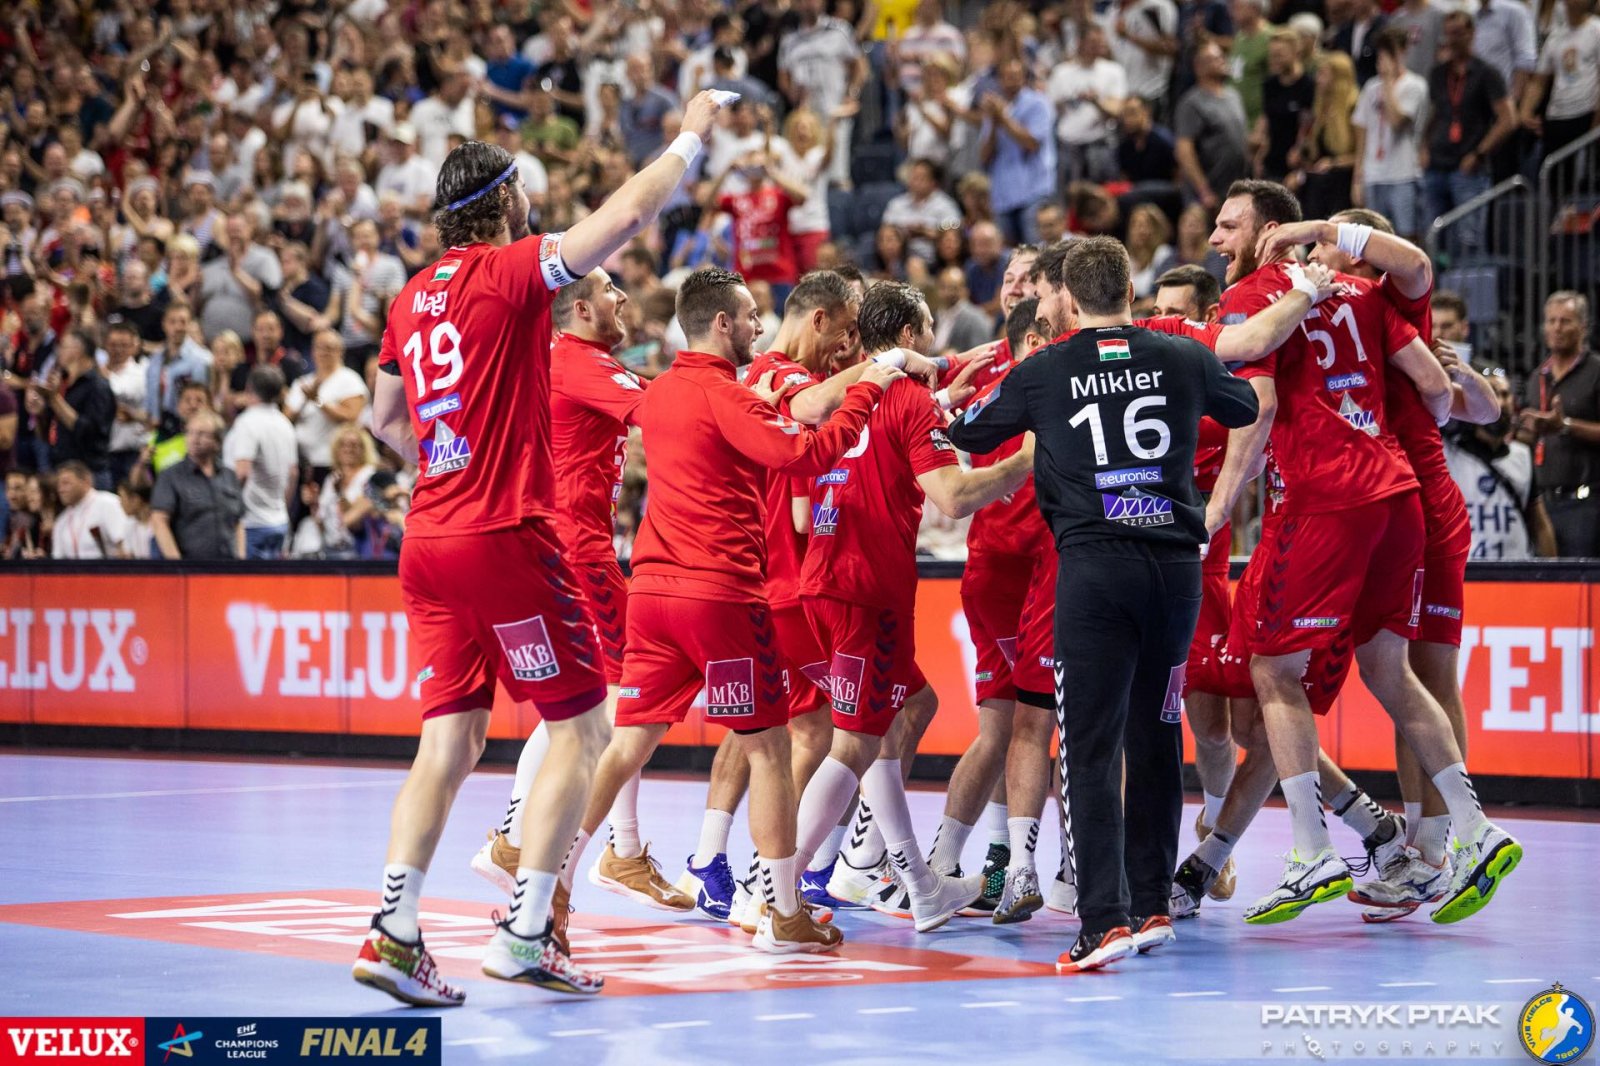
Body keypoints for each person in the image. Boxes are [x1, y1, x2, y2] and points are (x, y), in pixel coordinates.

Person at [354, 93, 728, 1006]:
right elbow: (628, 215)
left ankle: (394, 931)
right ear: (504, 199)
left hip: (428, 537)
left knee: (449, 738)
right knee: (585, 727)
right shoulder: (510, 270)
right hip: (505, 534)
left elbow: (382, 419)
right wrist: (689, 136)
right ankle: (527, 931)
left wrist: (446, 461)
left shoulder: (409, 297)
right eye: (524, 191)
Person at [1201, 179, 1522, 929]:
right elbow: (1438, 386)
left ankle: (1313, 849)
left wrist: (1216, 511)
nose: (1215, 239)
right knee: (1392, 668)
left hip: (1325, 498)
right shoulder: (1365, 294)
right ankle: (1472, 831)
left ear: (1270, 231)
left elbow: (1258, 396)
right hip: (1400, 492)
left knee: (1273, 672)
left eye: (1228, 226)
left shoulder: (1255, 294)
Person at [562, 267, 898, 955]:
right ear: (722, 323)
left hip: (651, 593)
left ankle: (550, 881)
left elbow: (723, 428)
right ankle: (783, 913)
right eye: (749, 316)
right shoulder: (729, 395)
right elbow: (804, 453)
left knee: (625, 745)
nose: (758, 326)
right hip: (719, 596)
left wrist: (760, 404)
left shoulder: (661, 390)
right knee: (771, 750)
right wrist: (868, 389)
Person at [950, 236, 1260, 973]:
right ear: (1129, 289)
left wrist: (945, 394)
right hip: (1175, 572)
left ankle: (1102, 921)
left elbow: (966, 430)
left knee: (1088, 746)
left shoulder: (1044, 368)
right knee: (1157, 738)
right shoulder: (1181, 354)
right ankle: (1152, 905)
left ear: (1065, 297)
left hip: (1095, 571)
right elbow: (1245, 402)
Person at [788, 280, 1032, 932]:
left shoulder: (849, 391)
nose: (930, 343)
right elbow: (952, 497)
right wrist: (1024, 462)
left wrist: (946, 394)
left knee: (906, 710)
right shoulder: (908, 398)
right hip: (868, 589)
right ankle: (781, 891)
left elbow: (863, 442)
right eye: (925, 331)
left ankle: (919, 887)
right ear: (907, 336)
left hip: (824, 578)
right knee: (853, 745)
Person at [469, 268, 675, 914]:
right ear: (581, 309)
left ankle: (573, 844)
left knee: (594, 702)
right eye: (611, 290)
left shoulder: (559, 359)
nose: (623, 298)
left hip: (552, 547)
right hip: (576, 550)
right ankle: (552, 846)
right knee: (632, 694)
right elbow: (665, 412)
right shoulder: (581, 363)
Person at [1423, 12, 1517, 262]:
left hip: (1469, 169)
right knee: (1431, 239)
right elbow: (1434, 114)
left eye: (1458, 33)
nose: (1452, 40)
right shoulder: (1438, 73)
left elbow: (1508, 119)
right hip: (1436, 165)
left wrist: (1479, 153)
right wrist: (1423, 147)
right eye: (1448, 34)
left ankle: (1469, 286)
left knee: (1468, 240)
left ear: (1471, 34)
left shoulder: (1487, 73)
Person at [1519, 291, 1600, 557]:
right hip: (1542, 505)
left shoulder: (1596, 372)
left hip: (1586, 504)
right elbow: (1533, 438)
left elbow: (1561, 426)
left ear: (1583, 327)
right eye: (1551, 320)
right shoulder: (1537, 377)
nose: (1557, 327)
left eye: (1565, 321)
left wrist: (1565, 425)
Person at [1448, 368, 1558, 559]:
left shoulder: (1522, 455)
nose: (1499, 402)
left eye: (1505, 394)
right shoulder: (1451, 454)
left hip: (1516, 569)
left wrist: (1554, 572)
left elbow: (1539, 524)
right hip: (1470, 569)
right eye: (1492, 392)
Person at [1353, 30, 1430, 240]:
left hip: (1403, 175)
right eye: (1381, 54)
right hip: (1373, 175)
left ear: (1402, 53)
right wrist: (1357, 178)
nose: (1383, 60)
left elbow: (1397, 122)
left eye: (1389, 54)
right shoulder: (1371, 87)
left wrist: (1387, 81)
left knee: (1406, 236)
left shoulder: (1415, 85)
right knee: (1375, 238)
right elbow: (1361, 131)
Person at [224, 365, 299, 560]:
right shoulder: (285, 423)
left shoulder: (247, 423)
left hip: (251, 524)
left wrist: (228, 512)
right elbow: (293, 474)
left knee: (247, 580)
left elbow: (241, 472)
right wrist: (281, 508)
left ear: (248, 388)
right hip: (279, 521)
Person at [980, 58, 1057, 245]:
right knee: (1011, 254)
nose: (1010, 81)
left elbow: (1031, 143)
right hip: (1003, 193)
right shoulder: (994, 109)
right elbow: (984, 156)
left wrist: (1003, 118)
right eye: (1006, 76)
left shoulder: (1038, 103)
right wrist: (994, 123)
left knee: (1036, 250)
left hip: (1033, 190)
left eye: (1015, 76)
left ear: (1024, 78)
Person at [151, 409, 243, 561]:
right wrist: (177, 564)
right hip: (190, 567)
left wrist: (241, 559)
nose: (194, 439)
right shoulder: (171, 476)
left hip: (228, 566)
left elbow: (238, 522)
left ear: (217, 442)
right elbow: (159, 520)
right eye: (190, 432)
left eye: (202, 434)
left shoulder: (229, 476)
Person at [285, 331, 369, 489]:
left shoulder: (350, 380)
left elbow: (351, 416)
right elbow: (286, 420)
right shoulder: (302, 382)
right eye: (319, 347)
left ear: (340, 351)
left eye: (329, 348)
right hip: (301, 462)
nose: (323, 352)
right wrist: (305, 400)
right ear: (313, 351)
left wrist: (318, 401)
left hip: (331, 462)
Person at [1175, 41, 1251, 210]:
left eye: (1222, 57)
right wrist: (1203, 190)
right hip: (1209, 191)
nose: (1222, 61)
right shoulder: (1191, 103)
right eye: (1215, 58)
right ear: (1199, 67)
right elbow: (1185, 151)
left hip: (1236, 187)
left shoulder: (1233, 95)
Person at [35, 329, 114, 489]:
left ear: (77, 351)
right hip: (59, 468)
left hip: (88, 474)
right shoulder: (63, 384)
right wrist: (39, 411)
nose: (58, 351)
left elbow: (90, 431)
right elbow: (47, 431)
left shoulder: (98, 387)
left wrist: (55, 399)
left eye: (63, 346)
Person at [50, 460, 126, 560]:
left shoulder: (108, 503)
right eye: (58, 484)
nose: (61, 489)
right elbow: (57, 560)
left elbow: (124, 546)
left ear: (86, 481)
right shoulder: (61, 521)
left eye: (66, 483)